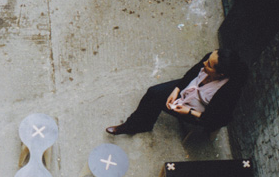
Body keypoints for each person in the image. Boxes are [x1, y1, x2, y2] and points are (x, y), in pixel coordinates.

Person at [106, 49, 247, 135]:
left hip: (198, 112)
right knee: (153, 92)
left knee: (156, 99)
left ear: (221, 74)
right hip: (189, 90)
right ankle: (138, 125)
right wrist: (177, 89)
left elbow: (218, 119)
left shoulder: (230, 92)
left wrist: (189, 112)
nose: (205, 63)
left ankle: (138, 125)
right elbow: (192, 73)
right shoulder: (211, 58)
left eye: (209, 65)